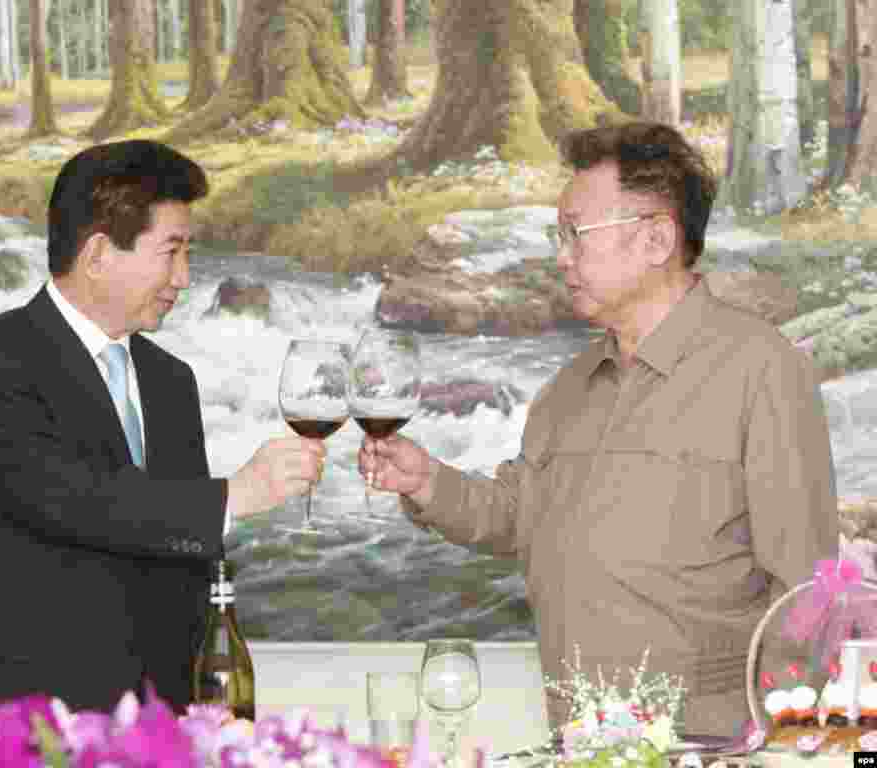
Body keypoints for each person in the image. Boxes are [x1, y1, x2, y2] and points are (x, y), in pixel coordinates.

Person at [359, 122, 839, 737]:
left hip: (715, 748)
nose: (561, 256)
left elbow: (806, 595)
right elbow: (519, 511)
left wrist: (787, 745)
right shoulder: (568, 388)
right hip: (580, 742)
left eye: (575, 234)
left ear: (658, 238)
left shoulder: (763, 370)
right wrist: (426, 481)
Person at [0, 140, 325, 722]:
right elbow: (72, 500)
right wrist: (232, 495)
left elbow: (181, 562)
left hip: (159, 731)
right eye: (171, 252)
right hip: (22, 731)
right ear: (96, 255)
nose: (184, 278)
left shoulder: (171, 381)